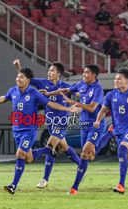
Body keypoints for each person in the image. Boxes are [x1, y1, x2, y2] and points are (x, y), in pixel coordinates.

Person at [0, 67, 79, 194]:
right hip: (18, 129)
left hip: (32, 129)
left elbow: (50, 104)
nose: (18, 79)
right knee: (29, 158)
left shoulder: (34, 93)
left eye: (21, 77)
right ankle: (52, 152)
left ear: (28, 80)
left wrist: (69, 109)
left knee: (20, 154)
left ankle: (14, 185)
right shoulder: (13, 90)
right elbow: (4, 98)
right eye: (18, 76)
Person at [13, 59, 83, 188]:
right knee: (63, 147)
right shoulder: (42, 83)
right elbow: (26, 79)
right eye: (49, 70)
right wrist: (19, 67)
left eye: (52, 71)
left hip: (62, 122)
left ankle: (44, 179)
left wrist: (82, 96)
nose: (49, 72)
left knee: (51, 145)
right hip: (50, 121)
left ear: (58, 74)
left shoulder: (65, 87)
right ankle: (81, 165)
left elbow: (79, 93)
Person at [45, 65, 105, 195]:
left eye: (87, 72)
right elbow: (65, 89)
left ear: (94, 75)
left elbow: (92, 108)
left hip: (96, 125)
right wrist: (49, 94)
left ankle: (74, 188)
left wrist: (75, 103)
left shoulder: (98, 89)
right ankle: (109, 135)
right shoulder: (81, 84)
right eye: (83, 72)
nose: (84, 74)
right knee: (90, 155)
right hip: (83, 124)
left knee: (84, 154)